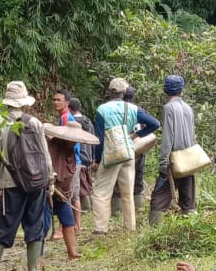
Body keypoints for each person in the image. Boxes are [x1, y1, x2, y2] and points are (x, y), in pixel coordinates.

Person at [0, 81, 52, 271]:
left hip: (8, 182)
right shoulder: (35, 123)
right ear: (24, 102)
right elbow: (44, 154)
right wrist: (50, 179)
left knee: (5, 223)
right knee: (35, 222)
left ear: (6, 102)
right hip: (37, 181)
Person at [91, 78, 159, 235]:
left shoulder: (102, 109)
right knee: (128, 191)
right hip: (128, 151)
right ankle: (130, 226)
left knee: (102, 191)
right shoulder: (133, 108)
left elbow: (100, 137)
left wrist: (97, 159)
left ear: (110, 91)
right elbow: (154, 123)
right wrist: (136, 134)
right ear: (124, 92)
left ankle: (100, 228)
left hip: (111, 152)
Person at [149, 74, 198, 221]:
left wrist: (164, 161)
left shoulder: (168, 108)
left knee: (159, 197)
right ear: (181, 90)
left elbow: (168, 136)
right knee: (188, 198)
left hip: (174, 158)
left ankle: (154, 229)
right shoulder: (188, 108)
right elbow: (192, 134)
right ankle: (191, 228)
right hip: (189, 157)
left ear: (165, 90)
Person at [43, 95, 81, 261]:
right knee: (43, 224)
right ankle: (37, 257)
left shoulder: (70, 151)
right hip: (47, 190)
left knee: (68, 221)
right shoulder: (53, 147)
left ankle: (72, 252)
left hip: (62, 193)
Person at [68, 95, 95, 214]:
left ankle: (85, 208)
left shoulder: (73, 123)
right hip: (89, 155)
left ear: (69, 108)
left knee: (82, 186)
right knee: (88, 184)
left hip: (80, 156)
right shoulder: (88, 121)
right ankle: (91, 206)